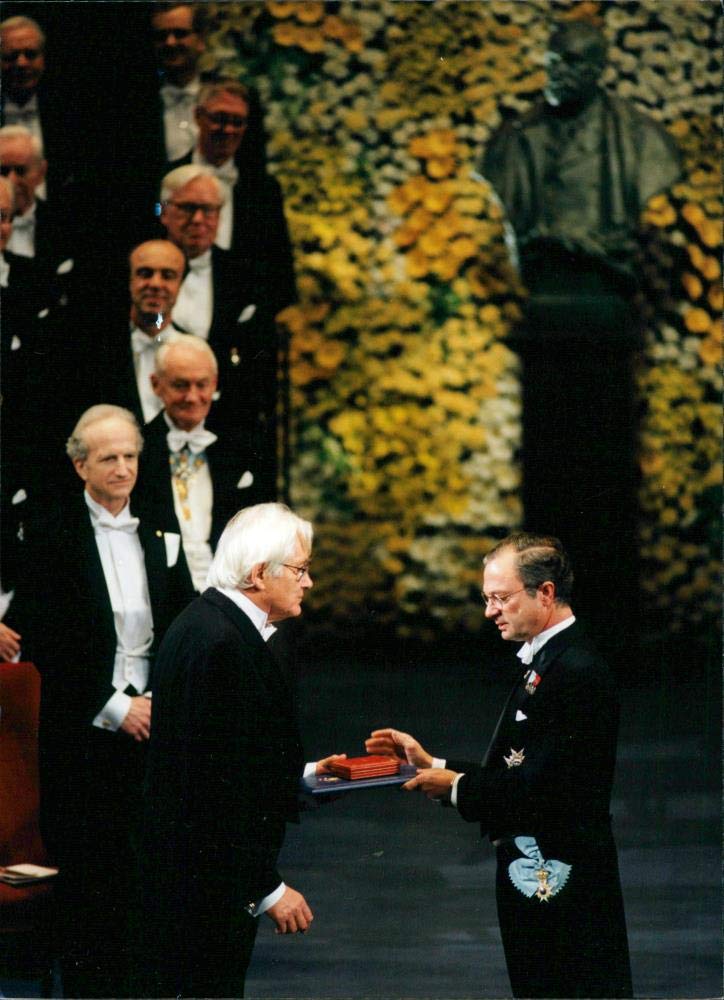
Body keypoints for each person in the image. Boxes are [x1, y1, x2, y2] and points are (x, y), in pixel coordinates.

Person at [480, 20, 682, 644]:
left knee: (603, 491)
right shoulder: (514, 143)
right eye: (551, 62)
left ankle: (611, 627)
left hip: (604, 324)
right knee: (552, 485)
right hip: (549, 321)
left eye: (572, 65)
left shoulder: (640, 141)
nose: (558, 75)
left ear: (598, 68)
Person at [367, 533, 632, 999]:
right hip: (542, 875)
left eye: (501, 598)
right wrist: (434, 763)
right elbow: (522, 770)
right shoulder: (551, 662)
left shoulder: (577, 672)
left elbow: (542, 790)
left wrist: (454, 787)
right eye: (488, 599)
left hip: (563, 885)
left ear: (545, 593)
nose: (490, 611)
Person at [10, 404, 194, 998]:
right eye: (109, 457)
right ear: (79, 464)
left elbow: (182, 624)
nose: (123, 468)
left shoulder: (161, 530)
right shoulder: (51, 535)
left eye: (131, 456)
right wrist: (117, 707)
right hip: (85, 729)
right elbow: (45, 640)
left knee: (151, 873)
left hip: (156, 719)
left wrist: (158, 701)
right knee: (92, 880)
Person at [142, 502, 344, 997]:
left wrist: (308, 774)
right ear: (259, 574)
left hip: (202, 877)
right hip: (207, 886)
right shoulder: (220, 643)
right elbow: (208, 792)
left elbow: (233, 759)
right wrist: (267, 888)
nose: (308, 582)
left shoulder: (214, 624)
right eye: (300, 569)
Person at [159, 164, 280, 483]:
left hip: (227, 429)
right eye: (187, 208)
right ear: (165, 213)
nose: (198, 219)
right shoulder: (146, 272)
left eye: (208, 210)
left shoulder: (245, 277)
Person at [135, 333, 263, 591]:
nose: (192, 397)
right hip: (160, 590)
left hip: (228, 590)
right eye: (180, 385)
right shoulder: (138, 449)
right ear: (156, 384)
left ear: (214, 384)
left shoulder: (240, 447)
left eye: (201, 385)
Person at [169, 80, 296, 315]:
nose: (228, 130)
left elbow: (281, 274)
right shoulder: (166, 177)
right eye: (219, 119)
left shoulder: (264, 190)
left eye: (237, 122)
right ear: (198, 116)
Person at [82, 239, 187, 423]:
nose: (155, 283)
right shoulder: (94, 349)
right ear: (130, 279)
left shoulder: (195, 350)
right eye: (145, 273)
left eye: (167, 275)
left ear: (180, 283)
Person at [0, 124, 69, 271]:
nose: (11, 180)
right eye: (3, 171)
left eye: (21, 170)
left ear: (41, 172)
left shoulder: (66, 225)